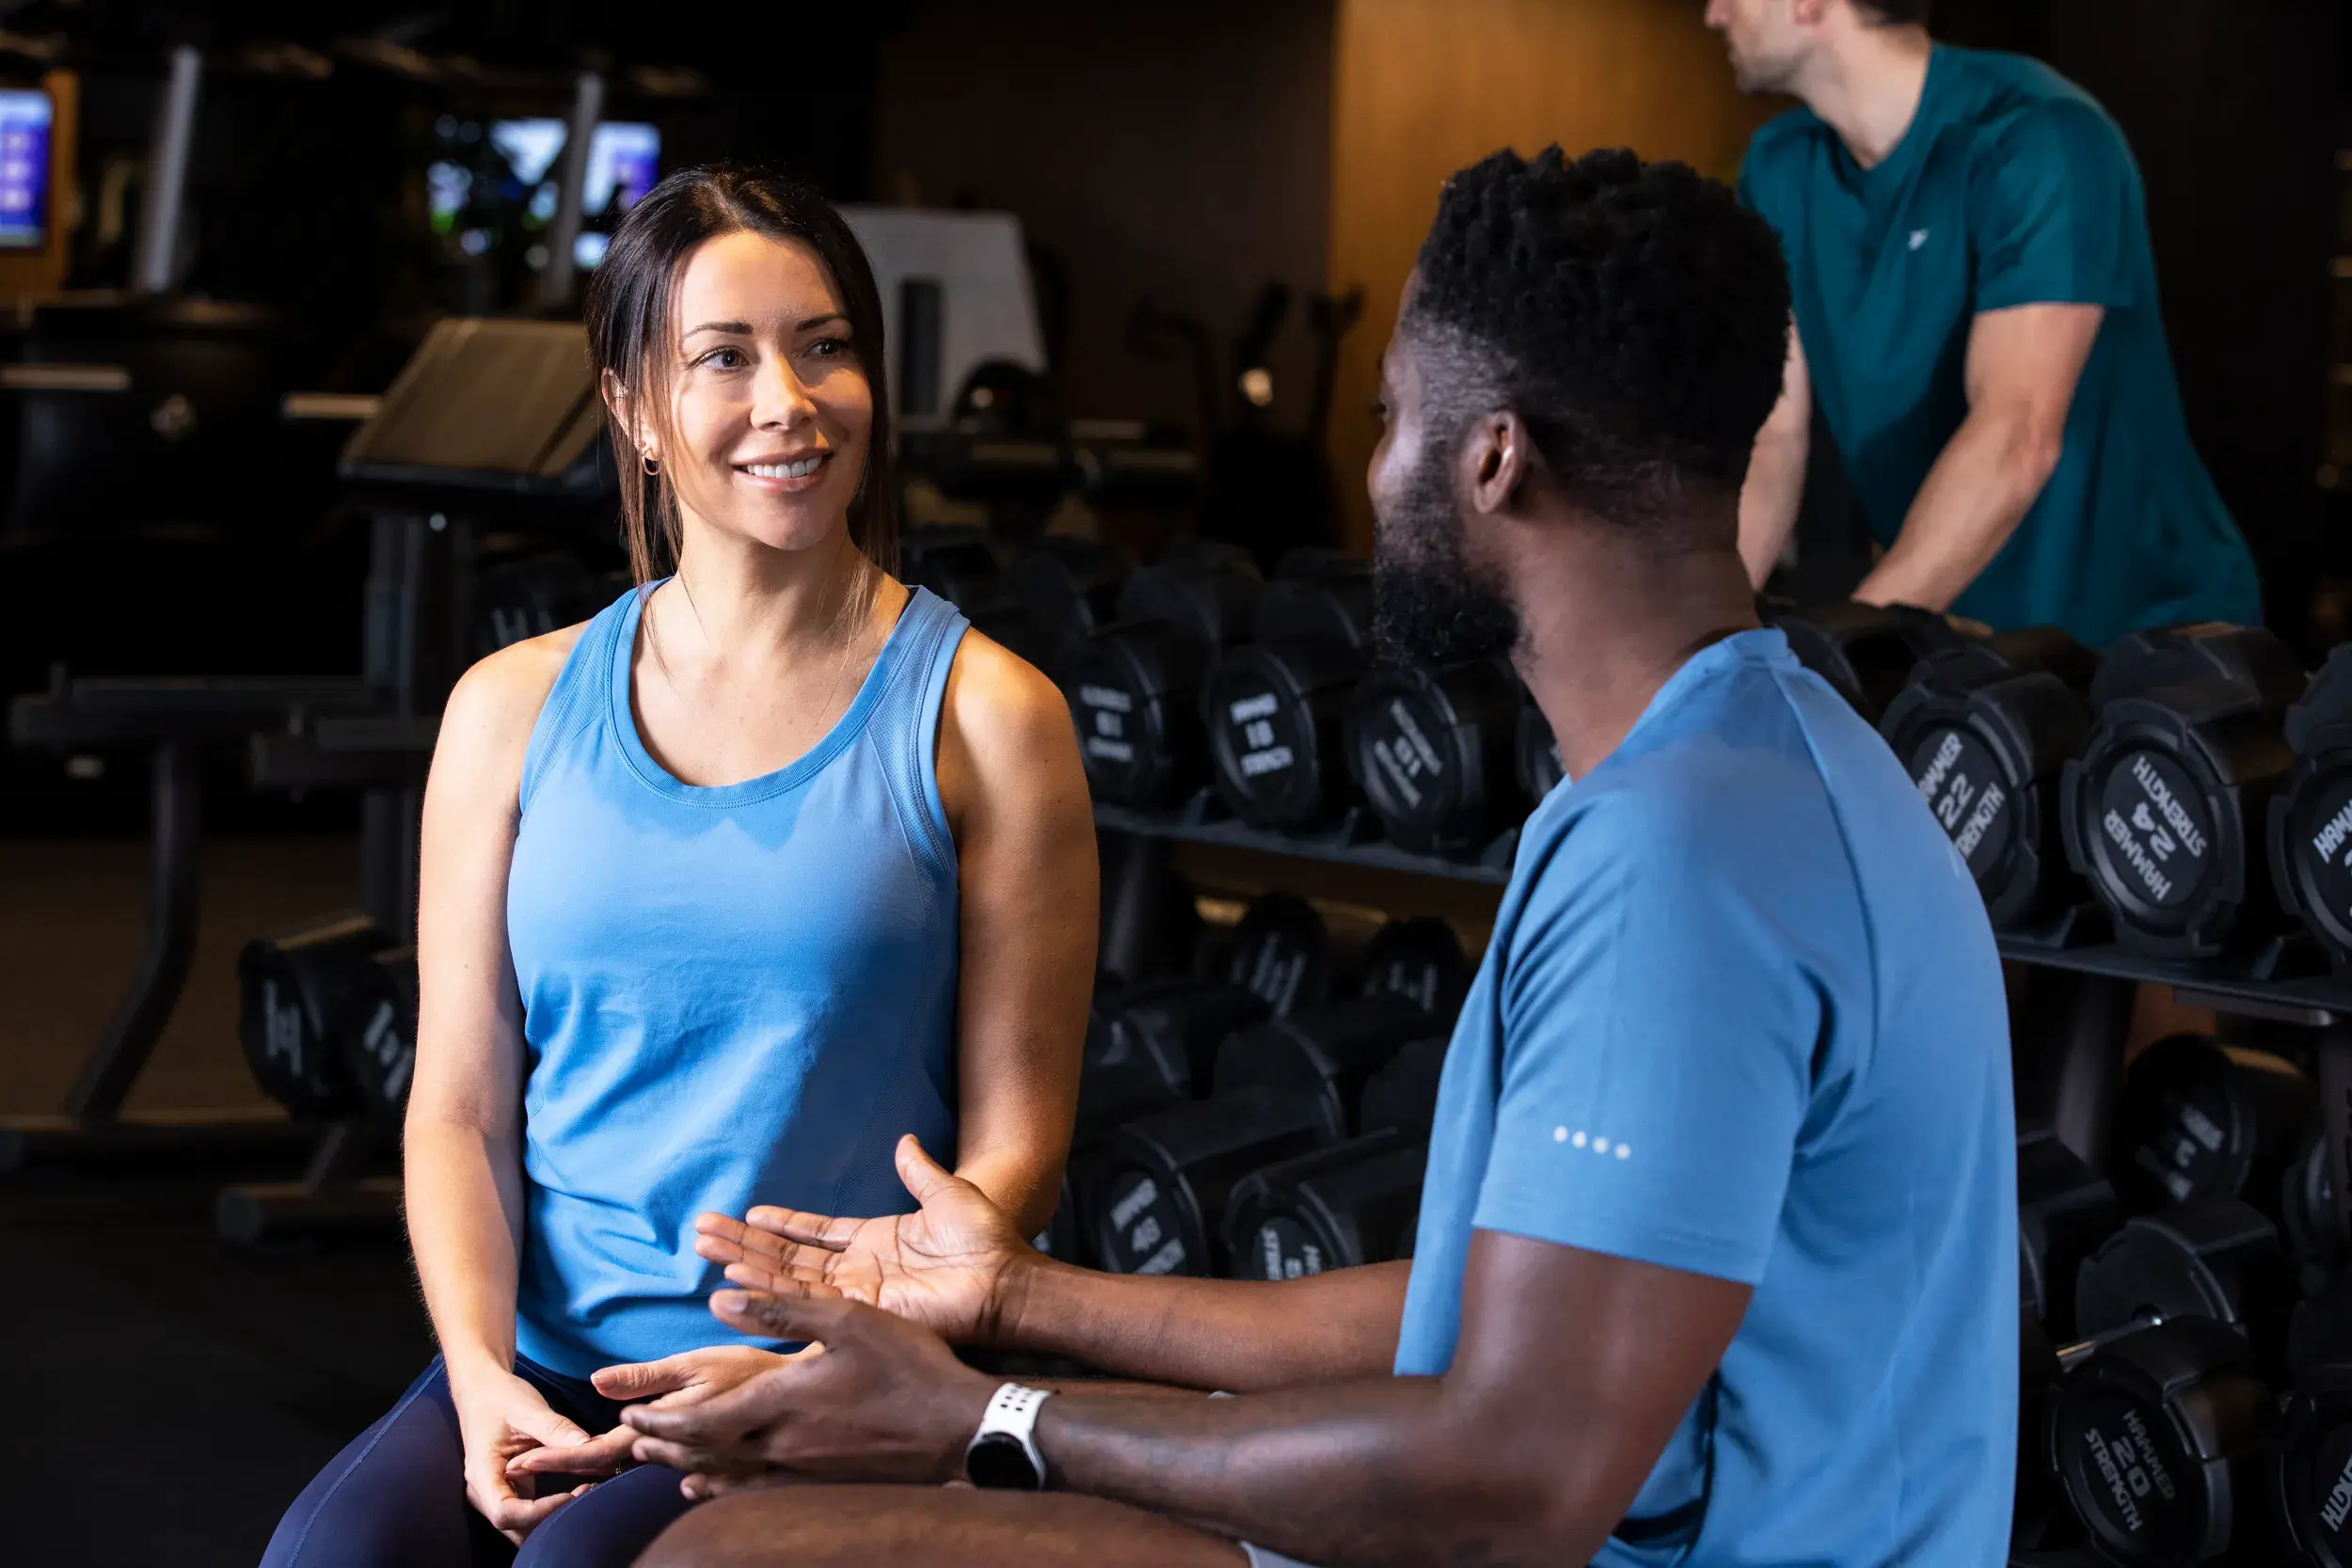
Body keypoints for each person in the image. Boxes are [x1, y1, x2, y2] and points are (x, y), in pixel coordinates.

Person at [614, 147, 2018, 1568]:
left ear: (1494, 457)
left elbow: (1509, 1483)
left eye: (1393, 416)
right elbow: (1501, 1304)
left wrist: (990, 1420)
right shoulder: (1769, 756)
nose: (1373, 466)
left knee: (728, 1557)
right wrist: (1015, 1297)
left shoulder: (1679, 866)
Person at [257, 166, 1096, 1568]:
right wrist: (475, 1374)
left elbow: (1020, 1148)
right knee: (327, 1558)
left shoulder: (991, 717)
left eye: (825, 347)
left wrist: (853, 1346)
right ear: (636, 407)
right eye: (724, 356)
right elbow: (458, 1106)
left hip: (820, 1372)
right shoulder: (508, 708)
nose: (790, 400)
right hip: (547, 1354)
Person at [1707, 0, 2260, 647]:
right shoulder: (1780, 165)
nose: (1714, 15)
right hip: (1955, 621)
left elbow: (2015, 437)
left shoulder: (2040, 134)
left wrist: (1844, 656)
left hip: (2148, 633)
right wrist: (1691, 655)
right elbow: (1772, 439)